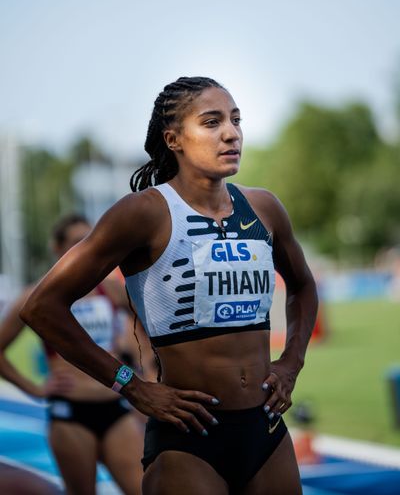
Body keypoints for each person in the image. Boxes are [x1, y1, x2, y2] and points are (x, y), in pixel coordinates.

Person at [21, 77, 318, 494]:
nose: (231, 132)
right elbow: (41, 307)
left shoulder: (264, 207)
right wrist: (133, 385)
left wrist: (291, 362)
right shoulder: (143, 213)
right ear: (174, 138)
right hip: (188, 439)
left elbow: (304, 286)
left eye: (236, 120)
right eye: (212, 122)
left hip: (265, 430)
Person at [0, 214, 152, 495]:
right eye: (76, 241)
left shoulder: (111, 290)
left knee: (142, 488)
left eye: (89, 239)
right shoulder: (36, 295)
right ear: (57, 248)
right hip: (71, 413)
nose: (86, 247)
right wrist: (35, 388)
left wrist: (145, 373)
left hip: (115, 408)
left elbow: (146, 330)